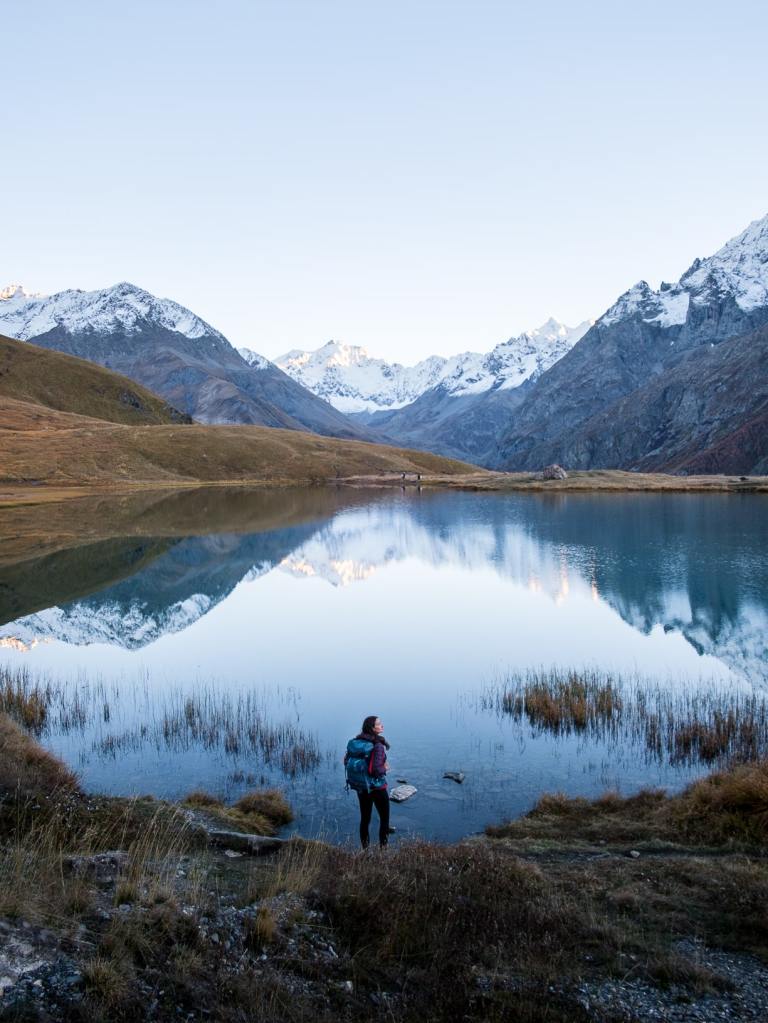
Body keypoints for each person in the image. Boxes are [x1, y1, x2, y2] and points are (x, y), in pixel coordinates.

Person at [344, 715, 391, 849]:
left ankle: (365, 852)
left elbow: (345, 761)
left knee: (365, 819)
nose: (382, 726)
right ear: (372, 728)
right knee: (384, 820)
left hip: (361, 786)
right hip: (377, 788)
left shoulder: (356, 742)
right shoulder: (378, 745)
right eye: (379, 724)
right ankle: (383, 852)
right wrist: (385, 768)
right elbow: (376, 770)